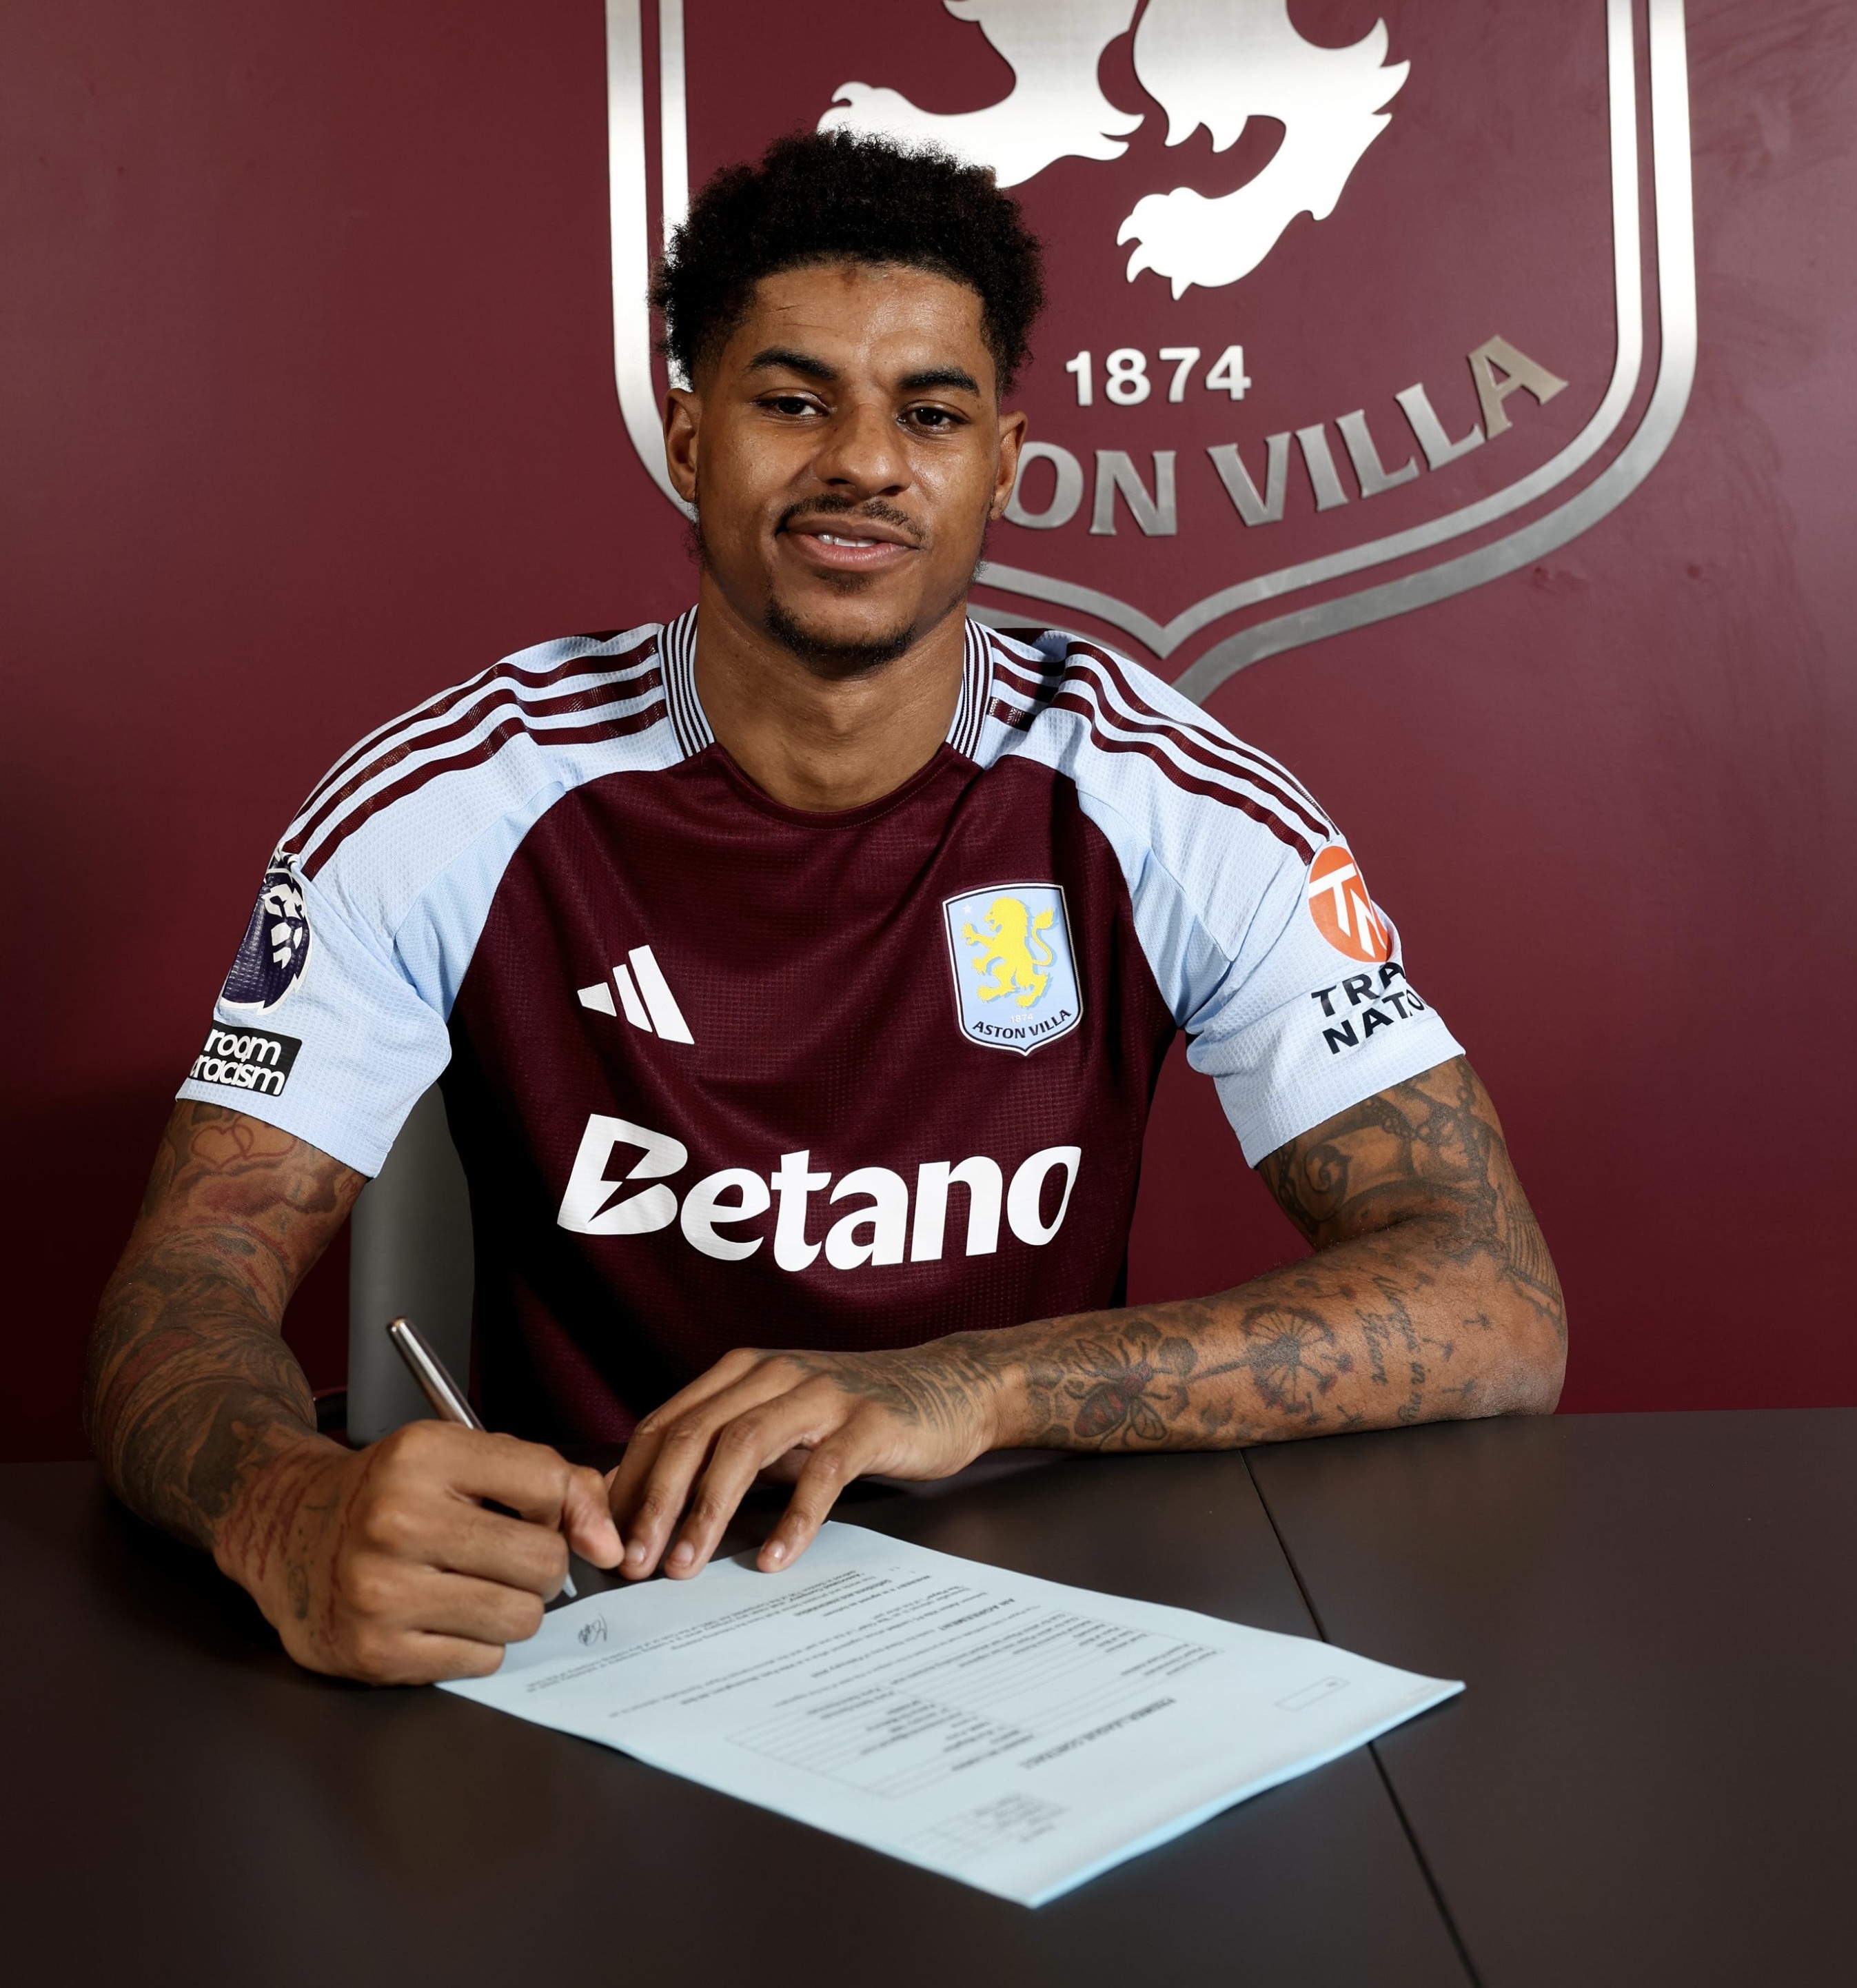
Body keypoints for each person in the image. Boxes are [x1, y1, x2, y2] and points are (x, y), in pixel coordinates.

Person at [86, 130, 1564, 1685]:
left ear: (1001, 458)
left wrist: (970, 1384)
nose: (863, 460)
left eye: (929, 413)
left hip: (1029, 1609)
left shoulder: (1160, 795)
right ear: (686, 434)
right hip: (577, 1614)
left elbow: (1492, 1295)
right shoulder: (447, 799)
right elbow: (185, 1279)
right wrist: (281, 1504)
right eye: (794, 401)